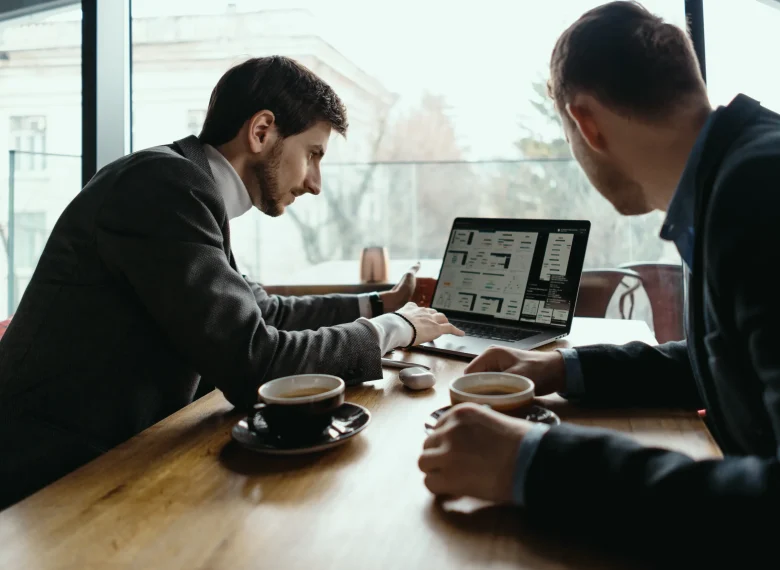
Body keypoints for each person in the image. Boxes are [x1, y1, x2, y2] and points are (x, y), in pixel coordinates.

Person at [0, 55, 463, 510]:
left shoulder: (187, 186)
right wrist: (397, 328)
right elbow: (255, 361)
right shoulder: (163, 186)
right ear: (261, 132)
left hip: (114, 456)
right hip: (53, 477)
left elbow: (263, 311)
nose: (315, 183)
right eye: (313, 155)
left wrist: (382, 304)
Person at [419, 1, 780, 562]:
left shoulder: (755, 194)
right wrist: (560, 367)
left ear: (585, 123)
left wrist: (533, 464)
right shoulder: (735, 174)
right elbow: (723, 362)